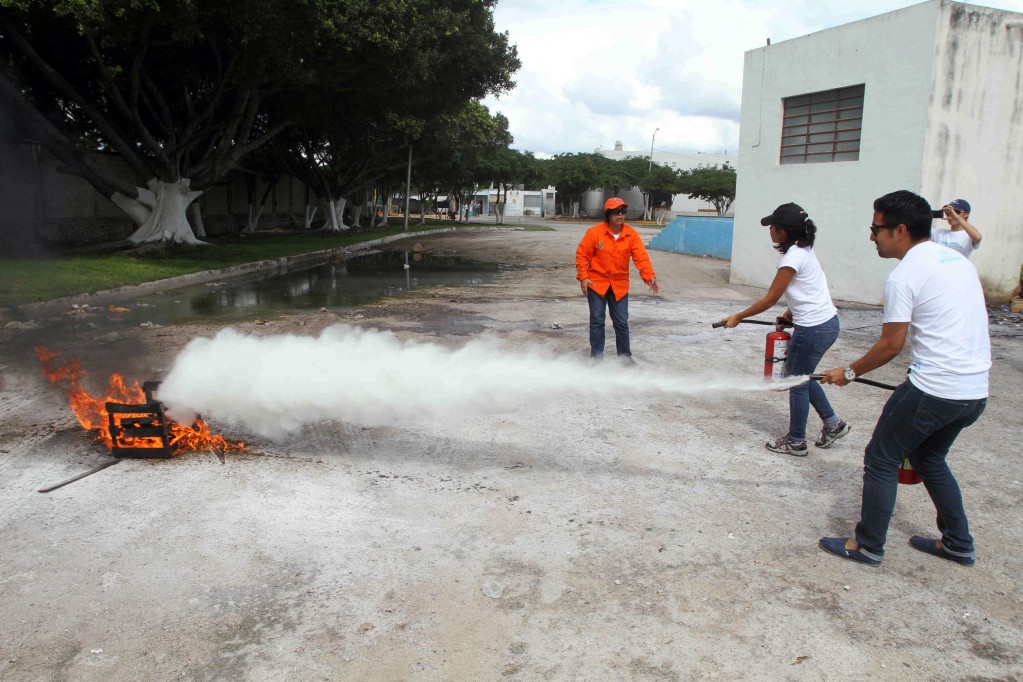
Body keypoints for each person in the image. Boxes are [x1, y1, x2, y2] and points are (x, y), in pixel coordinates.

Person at [818, 190, 990, 568]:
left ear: (899, 230)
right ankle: (958, 543)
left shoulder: (904, 275)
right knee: (930, 459)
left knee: (881, 457)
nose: (871, 237)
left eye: (875, 228)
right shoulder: (958, 262)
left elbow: (891, 346)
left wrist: (848, 372)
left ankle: (867, 545)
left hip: (935, 389)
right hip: (975, 392)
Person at [721, 202, 848, 456]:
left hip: (812, 328)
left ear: (782, 231)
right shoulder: (805, 250)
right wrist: (792, 312)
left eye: (772, 227)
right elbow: (809, 288)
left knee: (796, 380)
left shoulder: (792, 258)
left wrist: (739, 316)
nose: (770, 231)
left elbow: (769, 298)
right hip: (826, 323)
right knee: (804, 375)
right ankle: (833, 424)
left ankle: (797, 440)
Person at [575, 197, 659, 363]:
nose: (620, 214)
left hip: (619, 286)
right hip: (596, 284)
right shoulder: (594, 232)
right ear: (608, 214)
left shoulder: (631, 235)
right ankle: (596, 358)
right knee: (597, 322)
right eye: (616, 211)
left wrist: (649, 276)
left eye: (623, 211)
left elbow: (641, 258)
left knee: (621, 322)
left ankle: (625, 358)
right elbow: (582, 256)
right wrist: (583, 277)